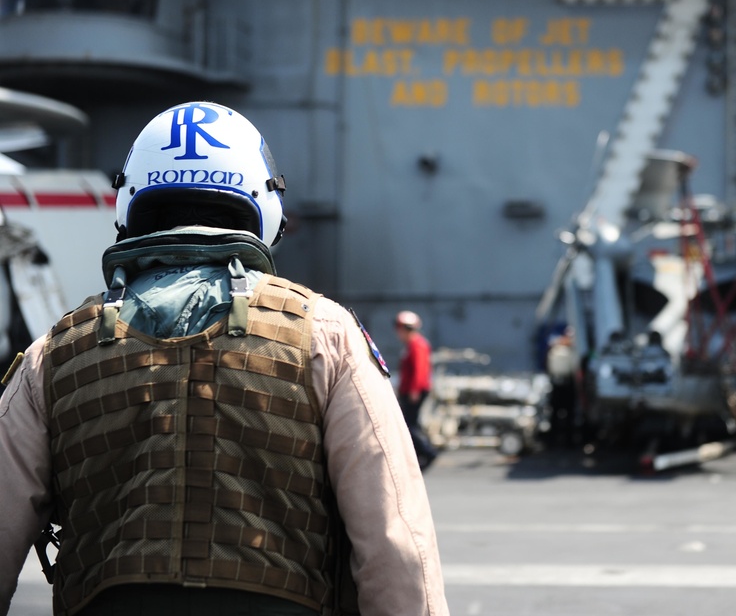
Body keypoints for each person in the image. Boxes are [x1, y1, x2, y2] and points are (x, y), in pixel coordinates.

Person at [0, 101, 449, 616]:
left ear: (128, 204)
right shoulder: (325, 334)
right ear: (265, 202)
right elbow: (396, 545)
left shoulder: (53, 355)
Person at [394, 310, 438, 469]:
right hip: (411, 390)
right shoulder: (413, 345)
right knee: (411, 423)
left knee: (409, 425)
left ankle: (427, 452)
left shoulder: (417, 345)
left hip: (414, 391)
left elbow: (420, 369)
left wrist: (414, 390)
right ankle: (419, 453)